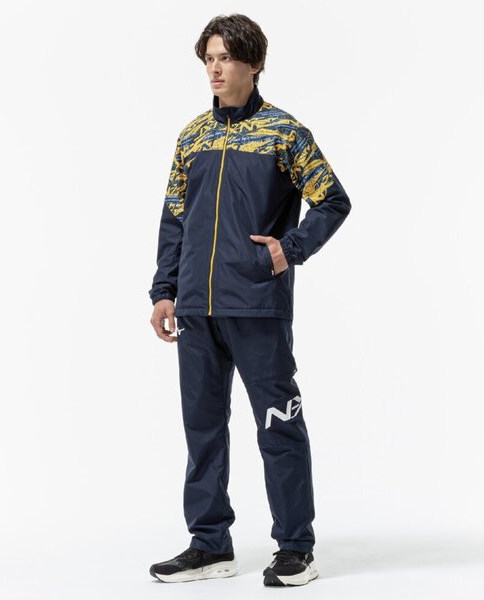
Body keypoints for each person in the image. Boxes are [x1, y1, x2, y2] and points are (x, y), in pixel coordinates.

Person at [147, 13, 352, 587]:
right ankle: (209, 544)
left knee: (277, 425)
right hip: (197, 307)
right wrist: (165, 290)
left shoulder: (283, 133)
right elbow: (175, 217)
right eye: (209, 58)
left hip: (257, 303)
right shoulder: (193, 137)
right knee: (203, 430)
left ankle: (295, 548)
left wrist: (290, 250)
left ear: (254, 64)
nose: (215, 69)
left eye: (226, 58)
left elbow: (333, 200)